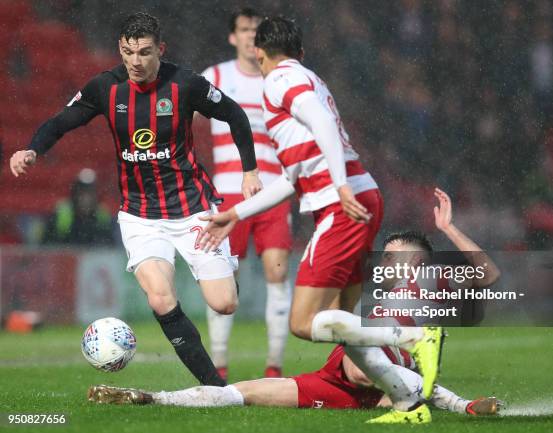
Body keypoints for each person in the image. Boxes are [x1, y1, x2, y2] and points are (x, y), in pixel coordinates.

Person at [195, 16, 442, 424]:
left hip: (342, 204)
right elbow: (292, 177)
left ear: (259, 53)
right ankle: (406, 403)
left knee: (304, 321)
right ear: (302, 51)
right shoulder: (311, 78)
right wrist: (235, 214)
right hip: (359, 196)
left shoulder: (277, 81)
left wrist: (340, 186)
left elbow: (323, 124)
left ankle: (415, 338)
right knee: (348, 331)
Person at [9, 12, 262, 387]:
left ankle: (225, 271)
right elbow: (63, 120)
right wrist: (32, 149)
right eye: (128, 52)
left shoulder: (185, 84)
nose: (135, 62)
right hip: (141, 216)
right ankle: (214, 387)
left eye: (144, 52)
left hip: (192, 208)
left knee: (224, 303)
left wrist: (249, 170)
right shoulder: (105, 88)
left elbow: (235, 114)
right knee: (160, 299)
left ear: (160, 49)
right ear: (120, 50)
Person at [201, 8, 292, 380]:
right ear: (232, 36)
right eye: (244, 29)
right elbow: (186, 125)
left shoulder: (279, 79)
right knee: (222, 277)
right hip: (228, 193)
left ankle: (274, 367)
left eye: (256, 30)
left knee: (276, 274)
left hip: (273, 193)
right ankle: (219, 364)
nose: (250, 35)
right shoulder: (215, 77)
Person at [87, 344, 501, 417]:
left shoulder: (401, 373)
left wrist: (468, 406)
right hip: (327, 387)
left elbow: (435, 391)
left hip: (370, 399)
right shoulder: (357, 342)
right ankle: (150, 398)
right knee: (241, 394)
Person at [372, 188, 501, 327]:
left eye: (389, 257)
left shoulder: (426, 277)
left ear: (414, 261)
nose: (381, 265)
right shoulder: (391, 297)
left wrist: (448, 228)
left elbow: (489, 274)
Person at [43, 168, 114, 245]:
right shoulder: (62, 213)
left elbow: (109, 246)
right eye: (82, 192)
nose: (86, 198)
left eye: (90, 193)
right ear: (75, 194)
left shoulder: (102, 215)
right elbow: (47, 246)